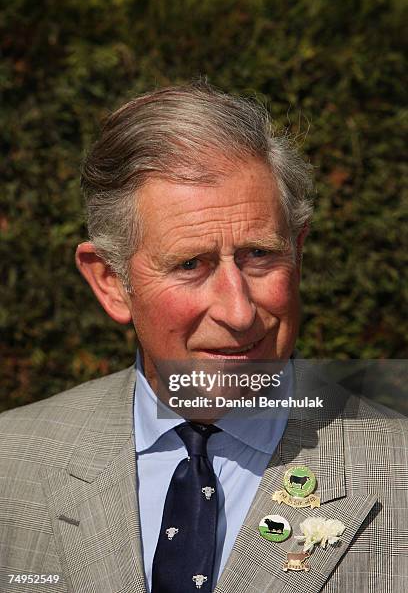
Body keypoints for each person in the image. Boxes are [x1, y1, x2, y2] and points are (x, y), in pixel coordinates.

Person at [0, 83, 406, 593]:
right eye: (190, 264)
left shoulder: (398, 472)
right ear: (110, 281)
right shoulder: (11, 463)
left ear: (298, 253)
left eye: (260, 255)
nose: (238, 311)